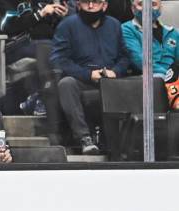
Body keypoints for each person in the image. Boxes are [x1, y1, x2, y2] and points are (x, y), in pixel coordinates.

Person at [50, 0, 129, 154]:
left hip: (110, 80)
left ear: (104, 5)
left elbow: (125, 57)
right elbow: (59, 59)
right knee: (66, 84)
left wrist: (116, 71)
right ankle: (84, 138)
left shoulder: (114, 25)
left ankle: (125, 142)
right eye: (86, 2)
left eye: (96, 2)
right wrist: (88, 74)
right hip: (81, 79)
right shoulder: (67, 25)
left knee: (138, 84)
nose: (91, 6)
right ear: (79, 4)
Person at [122, 0, 179, 78]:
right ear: (133, 8)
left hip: (173, 79)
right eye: (141, 4)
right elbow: (139, 61)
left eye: (153, 4)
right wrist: (168, 75)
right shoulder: (127, 29)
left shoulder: (172, 33)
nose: (147, 9)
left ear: (160, 8)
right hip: (146, 78)